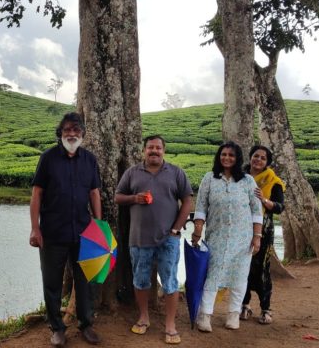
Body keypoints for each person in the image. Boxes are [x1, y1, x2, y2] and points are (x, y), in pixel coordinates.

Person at [29, 112, 103, 347]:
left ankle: (86, 324)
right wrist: (34, 229)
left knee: (85, 281)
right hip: (52, 232)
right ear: (60, 133)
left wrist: (99, 226)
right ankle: (57, 328)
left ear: (82, 134)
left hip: (83, 232)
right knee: (51, 281)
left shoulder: (89, 160)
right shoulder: (48, 158)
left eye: (76, 130)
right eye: (67, 130)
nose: (72, 134)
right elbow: (37, 194)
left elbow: (94, 193)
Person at [115, 135, 194, 345]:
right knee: (140, 280)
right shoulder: (132, 173)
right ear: (144, 151)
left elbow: (187, 201)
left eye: (158, 148)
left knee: (170, 282)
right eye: (150, 147)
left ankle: (170, 324)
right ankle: (143, 317)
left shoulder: (176, 173)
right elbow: (118, 197)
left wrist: (176, 229)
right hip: (139, 239)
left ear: (163, 151)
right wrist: (135, 198)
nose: (154, 151)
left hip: (168, 240)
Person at [190, 141, 263, 332]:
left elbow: (256, 210)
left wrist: (257, 236)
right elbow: (201, 207)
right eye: (223, 154)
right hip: (217, 236)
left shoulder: (247, 181)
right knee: (212, 276)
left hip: (242, 238)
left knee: (239, 277)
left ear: (237, 158)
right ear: (218, 157)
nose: (227, 158)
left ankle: (233, 314)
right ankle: (205, 315)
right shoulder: (209, 178)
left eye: (231, 155)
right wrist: (198, 229)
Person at [241, 144, 285, 325]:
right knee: (242, 269)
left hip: (263, 230)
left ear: (267, 162)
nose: (258, 160)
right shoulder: (239, 177)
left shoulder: (273, 181)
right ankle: (244, 305)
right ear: (250, 157)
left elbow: (279, 207)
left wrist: (263, 200)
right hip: (241, 228)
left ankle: (266, 308)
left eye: (262, 158)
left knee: (262, 270)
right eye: (255, 156)